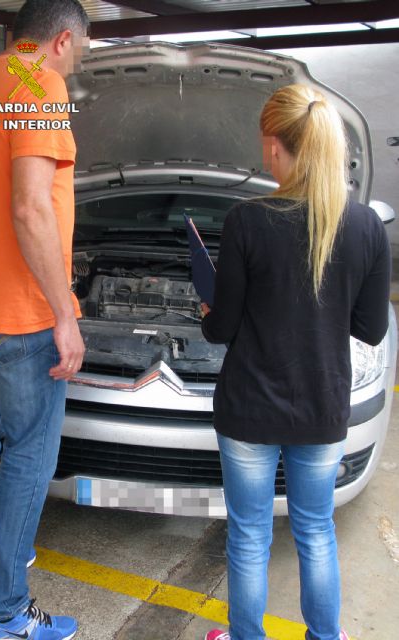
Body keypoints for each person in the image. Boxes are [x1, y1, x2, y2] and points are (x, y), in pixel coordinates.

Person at [201, 84, 390, 640]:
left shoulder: (246, 220)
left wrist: (211, 309)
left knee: (249, 535)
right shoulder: (364, 226)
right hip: (321, 406)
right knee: (315, 530)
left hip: (249, 409)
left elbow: (220, 330)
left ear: (276, 147)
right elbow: (371, 328)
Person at [0, 1, 89, 638]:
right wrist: (64, 312)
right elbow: (30, 209)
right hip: (22, 310)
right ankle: (4, 613)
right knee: (31, 452)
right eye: (79, 53)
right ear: (62, 40)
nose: (75, 66)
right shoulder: (40, 84)